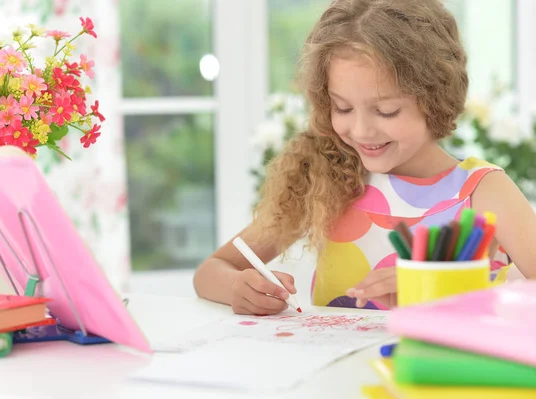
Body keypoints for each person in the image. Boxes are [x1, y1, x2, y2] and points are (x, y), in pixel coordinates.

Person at [193, 0, 536, 314]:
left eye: (386, 111)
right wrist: (239, 287)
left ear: (436, 99)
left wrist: (436, 284)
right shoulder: (329, 176)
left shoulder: (482, 191)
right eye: (342, 107)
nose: (361, 130)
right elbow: (212, 271)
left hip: (435, 378)